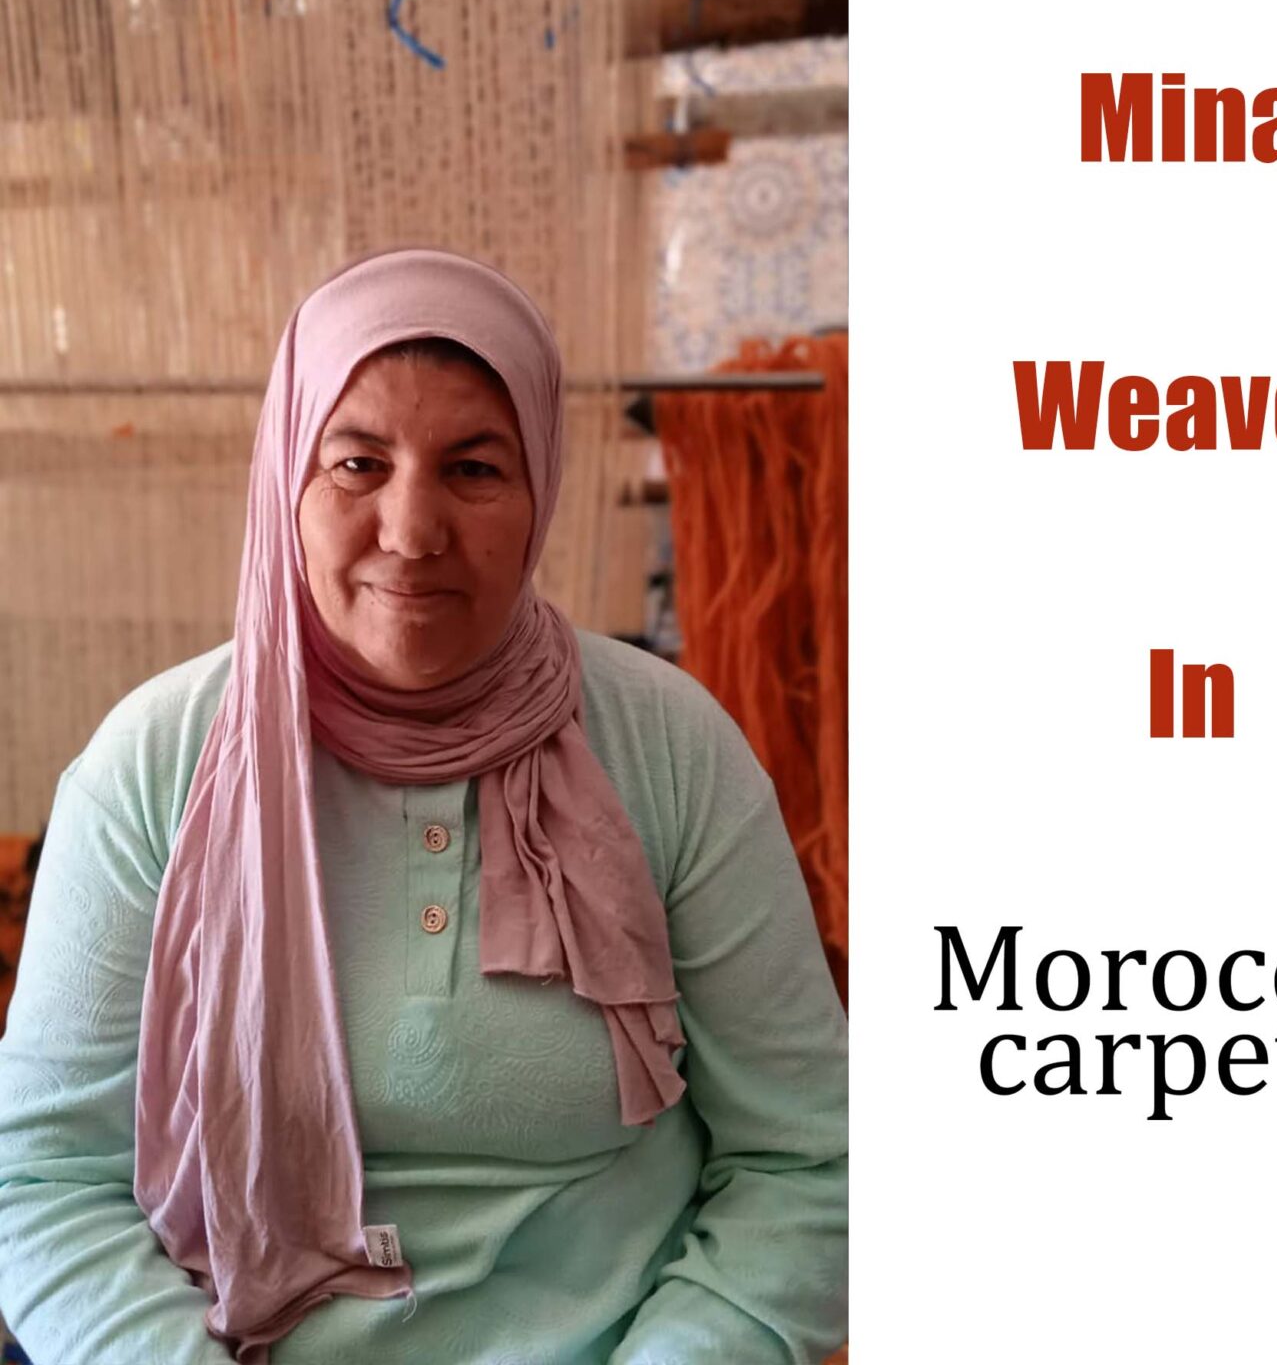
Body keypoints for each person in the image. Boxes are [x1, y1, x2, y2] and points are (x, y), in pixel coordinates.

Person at [0, 249, 848, 1364]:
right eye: (356, 463)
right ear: (285, 483)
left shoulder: (671, 748)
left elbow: (810, 1159)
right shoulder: (156, 763)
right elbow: (42, 1176)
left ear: (541, 480)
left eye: (475, 469)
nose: (411, 531)